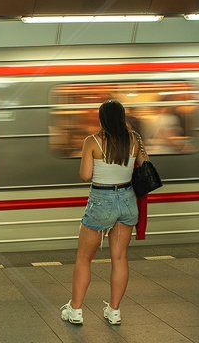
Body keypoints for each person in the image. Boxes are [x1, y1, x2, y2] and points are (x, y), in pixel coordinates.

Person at [60, 99, 147, 325]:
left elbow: (86, 175)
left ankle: (76, 310)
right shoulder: (135, 139)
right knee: (119, 258)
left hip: (102, 201)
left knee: (83, 258)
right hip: (127, 201)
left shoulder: (92, 142)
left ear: (102, 119)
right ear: (121, 117)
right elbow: (144, 164)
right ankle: (114, 311)